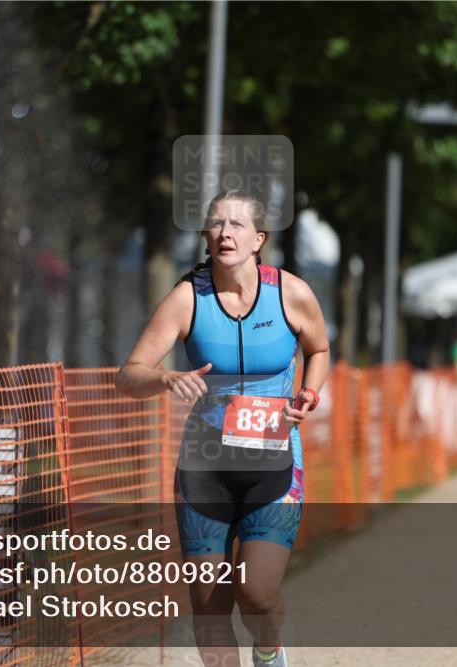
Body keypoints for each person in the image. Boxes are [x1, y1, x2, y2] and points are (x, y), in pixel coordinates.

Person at [115, 189, 330, 667]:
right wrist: (166, 377)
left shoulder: (290, 293)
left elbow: (319, 349)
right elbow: (128, 375)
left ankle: (270, 649)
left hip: (274, 465)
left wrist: (308, 394)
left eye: (236, 225)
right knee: (209, 610)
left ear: (258, 238)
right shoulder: (187, 297)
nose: (224, 233)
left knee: (255, 592)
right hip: (203, 467)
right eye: (215, 223)